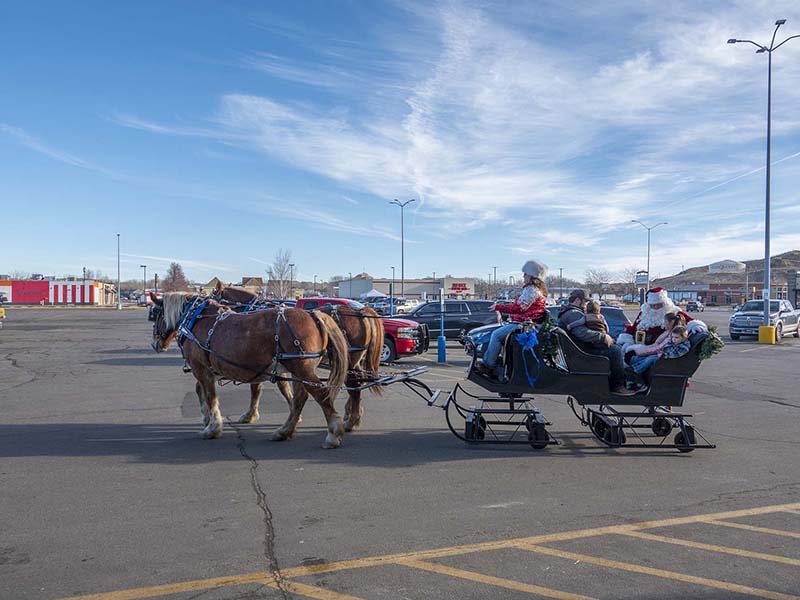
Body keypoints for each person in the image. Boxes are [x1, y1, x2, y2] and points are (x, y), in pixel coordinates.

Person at [558, 289, 637, 395]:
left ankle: (628, 380)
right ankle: (617, 386)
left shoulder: (570, 312)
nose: (586, 305)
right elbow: (582, 333)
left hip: (580, 349)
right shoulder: (573, 313)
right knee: (616, 351)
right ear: (577, 300)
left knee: (616, 347)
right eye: (585, 302)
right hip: (583, 352)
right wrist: (602, 337)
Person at [482, 260, 548, 380]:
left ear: (532, 276)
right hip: (524, 323)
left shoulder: (532, 290)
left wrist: (499, 307)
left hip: (525, 326)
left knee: (496, 335)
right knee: (498, 333)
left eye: (525, 274)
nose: (523, 277)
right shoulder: (531, 290)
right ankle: (499, 364)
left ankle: (489, 365)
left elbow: (519, 308)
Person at [618, 287, 693, 346]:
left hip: (659, 348)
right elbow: (634, 327)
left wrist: (696, 326)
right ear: (649, 304)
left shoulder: (673, 311)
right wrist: (627, 339)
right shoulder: (645, 312)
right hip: (639, 343)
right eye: (653, 305)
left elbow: (691, 322)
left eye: (659, 304)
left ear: (665, 303)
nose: (656, 307)